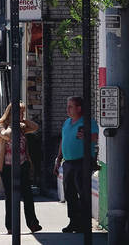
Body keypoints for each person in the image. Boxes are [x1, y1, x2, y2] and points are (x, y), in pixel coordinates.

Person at [0, 102, 42, 234]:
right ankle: (10, 226)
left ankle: (33, 223)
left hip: (23, 164)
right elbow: (6, 135)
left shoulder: (21, 127)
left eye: (22, 113)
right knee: (11, 197)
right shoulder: (2, 125)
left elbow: (35, 127)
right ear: (11, 113)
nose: (21, 115)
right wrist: (13, 124)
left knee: (28, 195)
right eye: (19, 113)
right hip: (7, 166)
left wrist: (23, 121)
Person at [54, 95, 98, 233]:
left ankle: (85, 223)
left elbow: (96, 137)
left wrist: (86, 136)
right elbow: (63, 140)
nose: (67, 109)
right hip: (68, 162)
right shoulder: (67, 122)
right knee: (70, 194)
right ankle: (73, 222)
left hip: (82, 161)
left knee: (83, 193)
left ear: (79, 108)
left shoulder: (88, 122)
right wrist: (58, 158)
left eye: (70, 106)